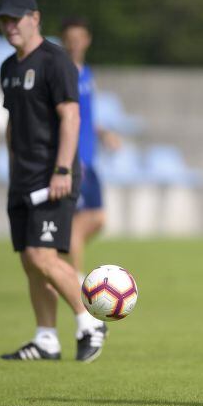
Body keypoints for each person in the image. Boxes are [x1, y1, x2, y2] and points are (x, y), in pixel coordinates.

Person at [0, 0, 106, 363]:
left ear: (35, 18)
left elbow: (70, 117)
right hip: (22, 178)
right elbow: (13, 121)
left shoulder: (55, 61)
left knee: (42, 256)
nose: (9, 26)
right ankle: (46, 340)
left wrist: (61, 169)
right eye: (4, 20)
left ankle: (90, 322)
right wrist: (13, 165)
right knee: (30, 261)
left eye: (16, 19)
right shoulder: (9, 68)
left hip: (52, 176)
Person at [59, 17, 121, 279]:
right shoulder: (61, 74)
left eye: (79, 39)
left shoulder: (86, 73)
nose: (74, 44)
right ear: (63, 41)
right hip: (74, 159)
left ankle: (63, 265)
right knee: (78, 221)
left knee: (97, 218)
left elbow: (82, 114)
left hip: (89, 157)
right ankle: (76, 276)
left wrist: (103, 132)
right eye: (70, 40)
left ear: (87, 40)